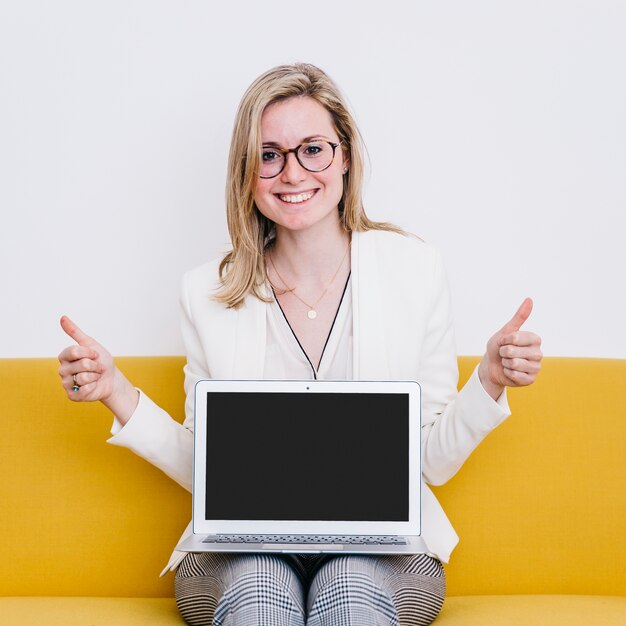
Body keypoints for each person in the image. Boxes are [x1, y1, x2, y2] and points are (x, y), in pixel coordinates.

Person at [58, 63, 542, 626]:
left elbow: (429, 463)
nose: (292, 173)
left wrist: (489, 380)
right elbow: (210, 472)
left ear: (344, 157)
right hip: (237, 552)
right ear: (248, 172)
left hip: (385, 554)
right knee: (262, 587)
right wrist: (115, 390)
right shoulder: (207, 291)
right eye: (269, 155)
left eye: (313, 149)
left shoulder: (414, 270)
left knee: (350, 585)